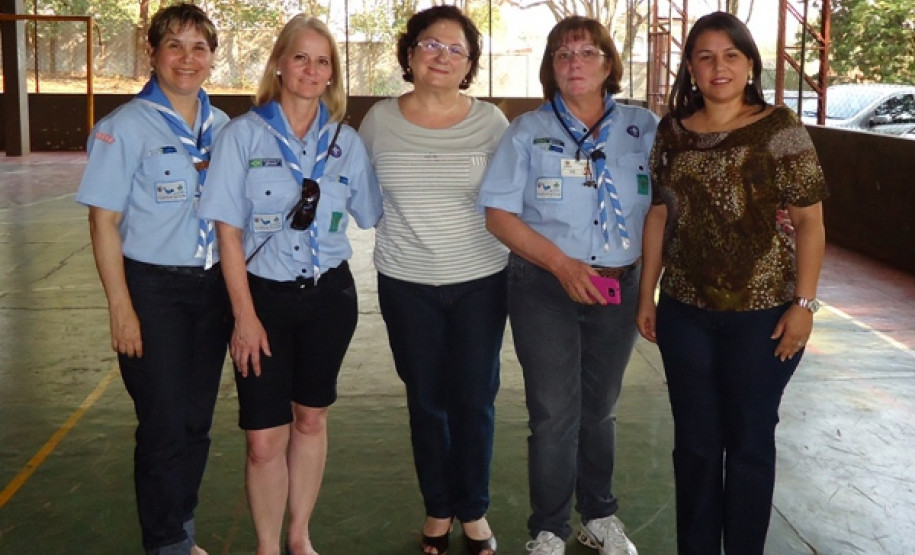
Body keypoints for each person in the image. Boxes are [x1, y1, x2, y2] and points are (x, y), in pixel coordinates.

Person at [635, 12, 828, 555]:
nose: (718, 67)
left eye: (730, 55)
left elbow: (810, 222)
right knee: (695, 445)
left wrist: (804, 304)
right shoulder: (672, 131)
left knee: (749, 442)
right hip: (685, 311)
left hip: (764, 317)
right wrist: (647, 294)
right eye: (705, 57)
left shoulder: (780, 129)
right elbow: (659, 214)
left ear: (749, 64)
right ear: (691, 68)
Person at [197, 14, 381, 555]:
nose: (310, 69)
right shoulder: (242, 135)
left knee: (311, 419)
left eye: (322, 61)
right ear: (279, 63)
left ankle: (299, 537)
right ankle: (267, 545)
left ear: (333, 74)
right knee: (262, 440)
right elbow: (228, 234)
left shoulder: (347, 142)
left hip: (330, 299)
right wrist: (244, 317)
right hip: (262, 301)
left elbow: (371, 212)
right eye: (300, 57)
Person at [479, 15, 656, 555]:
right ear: (551, 68)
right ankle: (549, 529)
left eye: (587, 52)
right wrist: (562, 266)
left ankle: (599, 515)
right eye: (563, 54)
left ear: (608, 64)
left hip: (617, 288)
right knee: (554, 412)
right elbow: (498, 215)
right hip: (544, 287)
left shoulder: (644, 127)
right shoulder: (526, 131)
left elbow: (672, 204)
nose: (574, 63)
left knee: (600, 409)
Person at [75, 4, 231, 554]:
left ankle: (180, 530)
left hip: (212, 289)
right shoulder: (122, 129)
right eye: (174, 45)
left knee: (196, 422)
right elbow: (103, 221)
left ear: (212, 57)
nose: (187, 59)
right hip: (154, 291)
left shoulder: (223, 128)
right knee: (163, 423)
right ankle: (164, 542)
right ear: (153, 53)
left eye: (199, 47)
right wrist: (122, 308)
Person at [357, 6, 508, 555]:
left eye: (455, 49)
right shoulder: (378, 121)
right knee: (426, 401)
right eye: (430, 45)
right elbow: (358, 195)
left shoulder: (492, 122)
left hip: (480, 281)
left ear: (469, 63)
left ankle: (474, 510)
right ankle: (438, 507)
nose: (441, 56)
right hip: (405, 282)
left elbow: (512, 200)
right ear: (410, 53)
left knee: (475, 400)